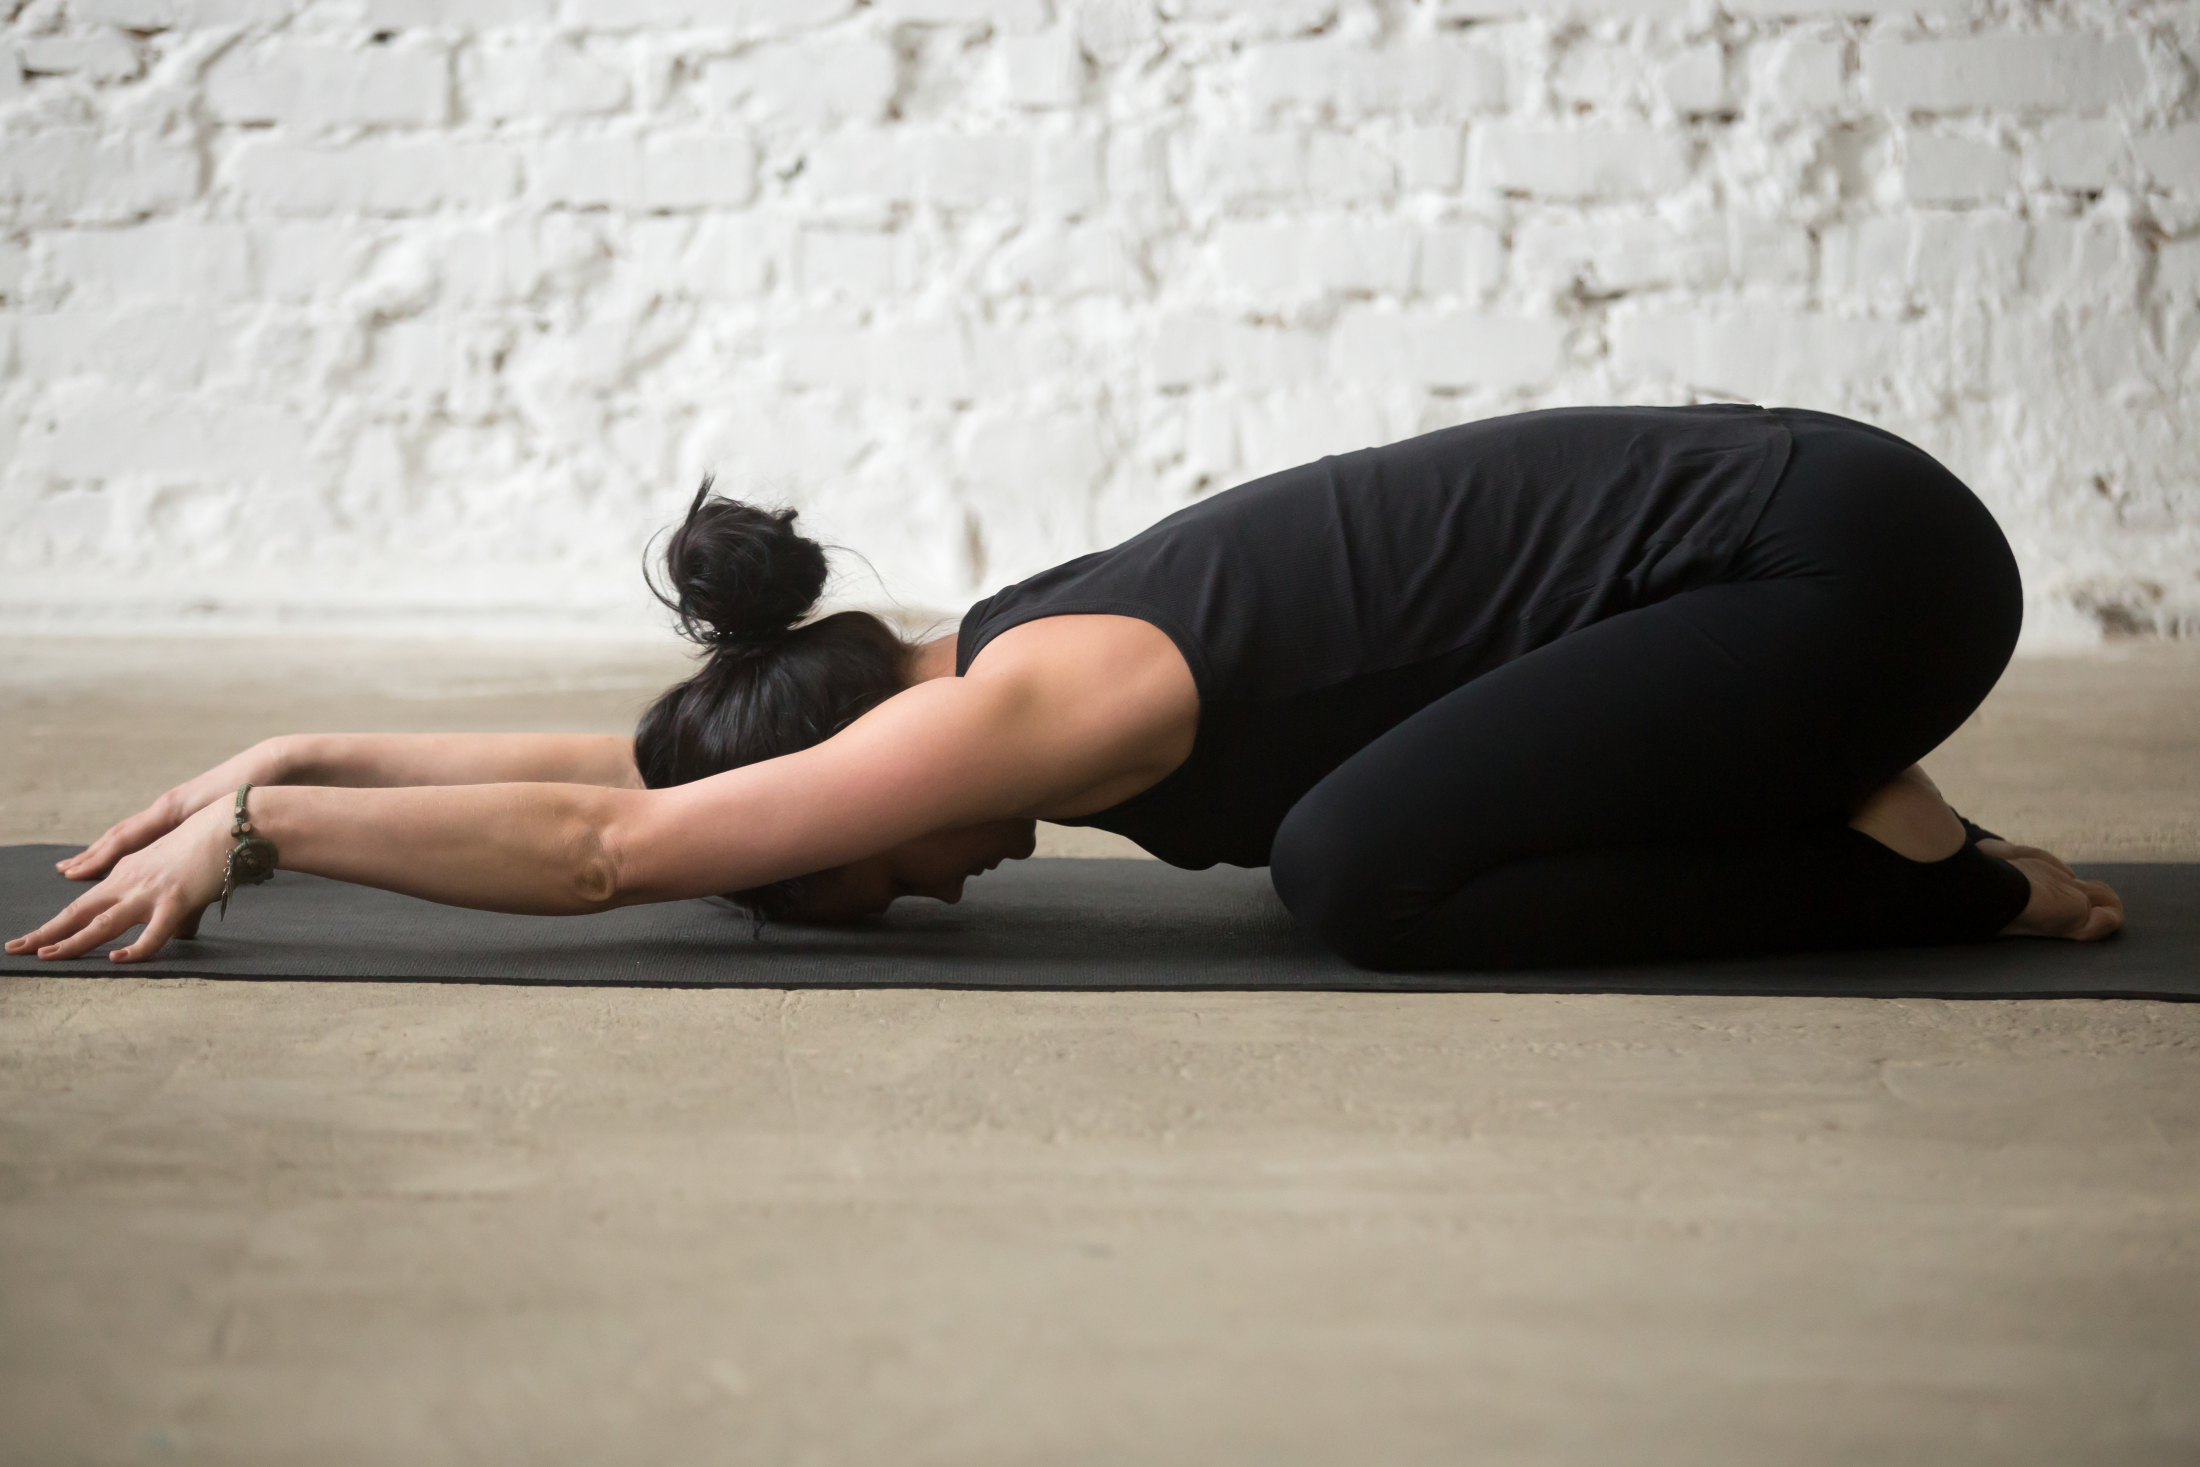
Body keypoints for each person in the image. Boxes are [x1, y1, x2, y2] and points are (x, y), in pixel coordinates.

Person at [10, 404, 2122, 970]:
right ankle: (1822, 773)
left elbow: (606, 841)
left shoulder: (1040, 695)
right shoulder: (953, 663)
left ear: (863, 759)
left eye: (856, 870)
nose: (919, 890)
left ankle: (1942, 886)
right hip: (1790, 567)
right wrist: (290, 738)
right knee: (1368, 833)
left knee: (1360, 868)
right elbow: (644, 761)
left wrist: (268, 840)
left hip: (1844, 562)